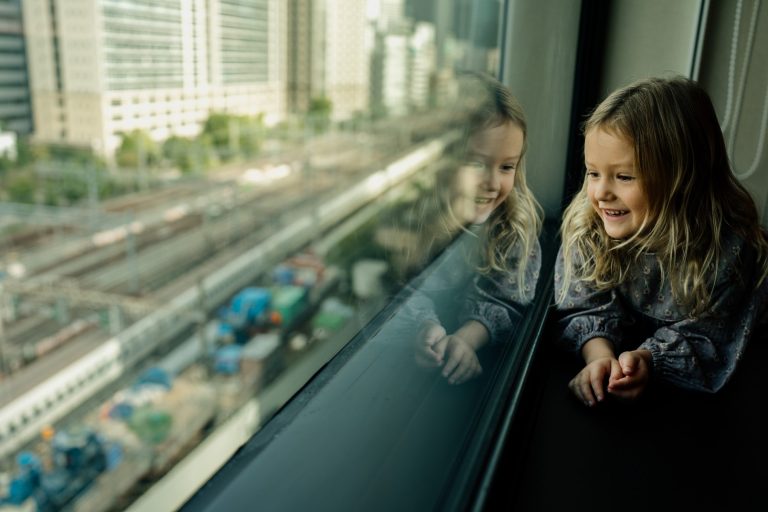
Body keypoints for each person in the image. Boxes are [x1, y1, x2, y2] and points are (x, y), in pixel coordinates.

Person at [556, 76, 768, 407]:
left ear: (683, 180)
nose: (599, 193)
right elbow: (584, 301)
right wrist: (599, 356)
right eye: (592, 172)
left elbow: (710, 335)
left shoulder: (728, 249)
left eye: (624, 176)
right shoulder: (589, 225)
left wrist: (648, 358)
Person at [398, 72, 542, 385]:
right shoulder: (407, 226)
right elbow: (393, 294)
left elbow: (504, 298)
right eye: (476, 163)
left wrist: (465, 339)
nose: (493, 183)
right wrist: (422, 328)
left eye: (507, 167)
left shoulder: (511, 226)